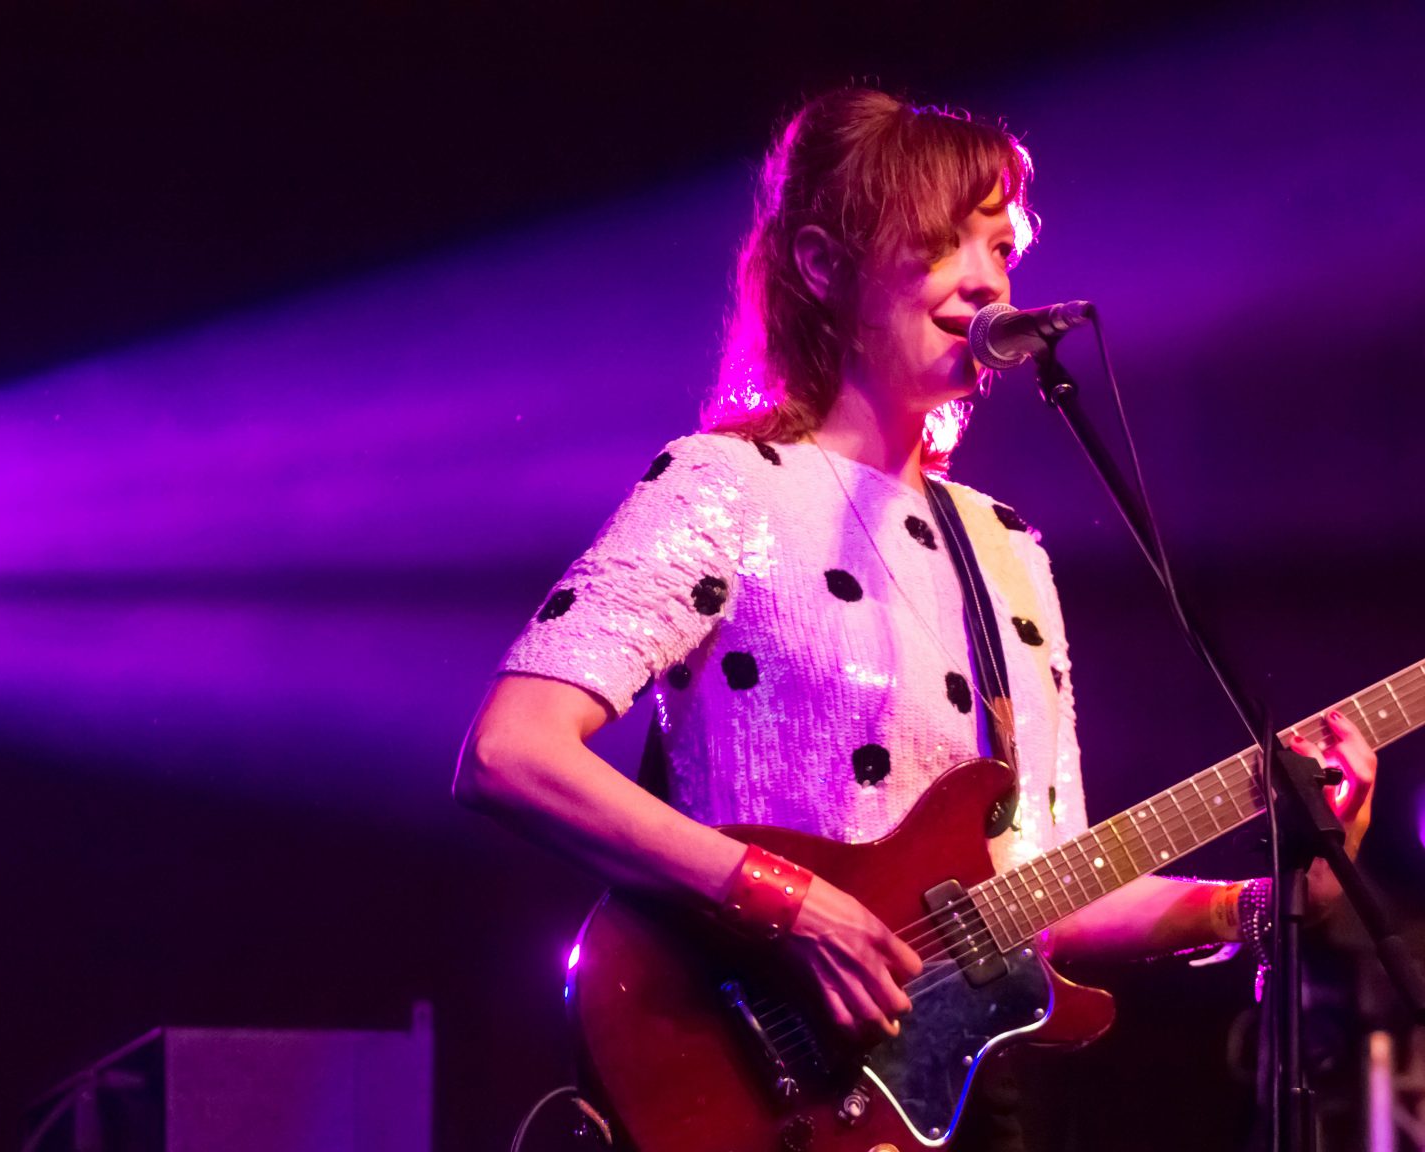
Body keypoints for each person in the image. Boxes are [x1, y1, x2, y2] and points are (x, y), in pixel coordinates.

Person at [453, 87, 1376, 1146]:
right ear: (821, 265)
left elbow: (1038, 887)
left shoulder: (1007, 548)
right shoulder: (724, 487)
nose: (985, 279)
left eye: (999, 247)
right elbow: (510, 754)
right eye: (941, 243)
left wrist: (1263, 903)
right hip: (746, 1070)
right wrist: (788, 902)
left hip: (955, 1106)